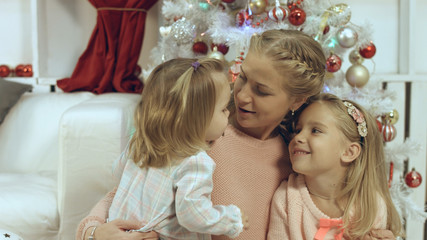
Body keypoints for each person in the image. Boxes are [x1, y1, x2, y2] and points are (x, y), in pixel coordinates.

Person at [76, 29, 394, 240]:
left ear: (296, 101)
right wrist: (94, 233)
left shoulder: (298, 159)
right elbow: (126, 191)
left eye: (262, 91)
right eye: (242, 78)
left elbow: (325, 216)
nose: (241, 96)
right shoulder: (202, 131)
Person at [108, 57, 248, 239]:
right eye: (223, 110)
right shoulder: (195, 161)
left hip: (120, 231)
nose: (229, 113)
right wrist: (230, 219)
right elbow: (193, 215)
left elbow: (118, 171)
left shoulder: (142, 141)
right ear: (196, 120)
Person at [267, 93, 403, 239]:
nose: (297, 138)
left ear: (349, 152)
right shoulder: (287, 199)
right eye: (298, 130)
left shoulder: (372, 205)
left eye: (315, 131)